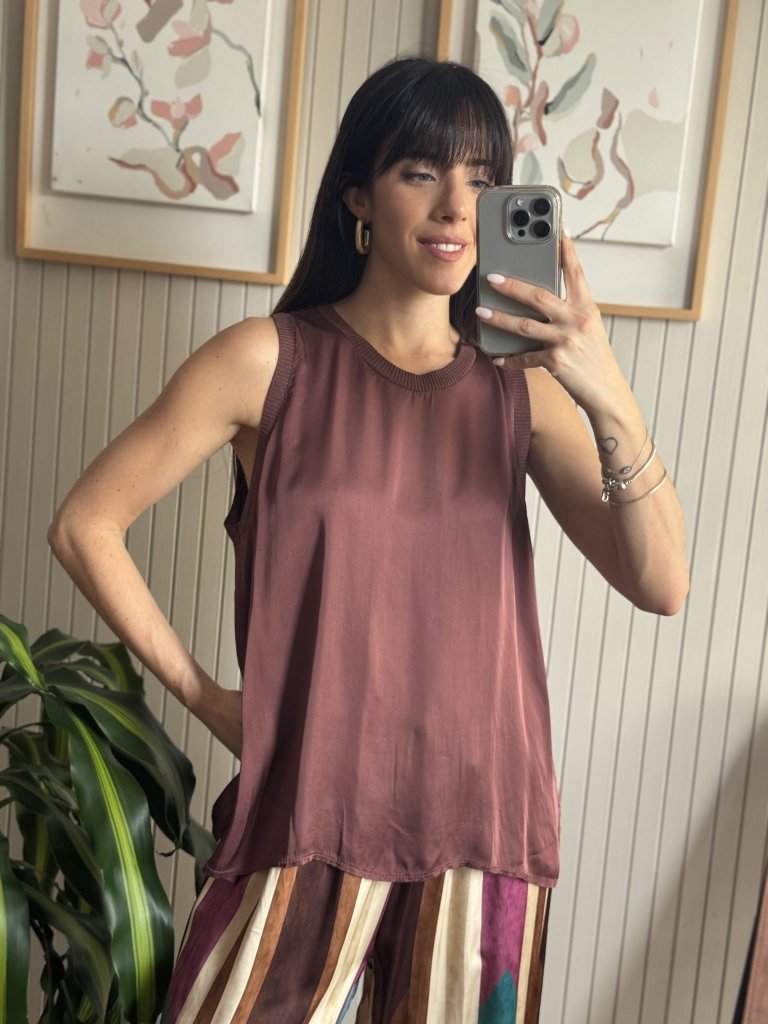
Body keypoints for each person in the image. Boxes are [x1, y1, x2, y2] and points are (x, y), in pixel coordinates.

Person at [48, 57, 688, 1024]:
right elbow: (84, 524)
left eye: (480, 179)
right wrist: (209, 699)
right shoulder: (268, 362)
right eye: (420, 172)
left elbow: (663, 582)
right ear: (357, 195)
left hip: (482, 827)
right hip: (310, 810)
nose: (455, 207)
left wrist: (605, 389)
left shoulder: (520, 391)